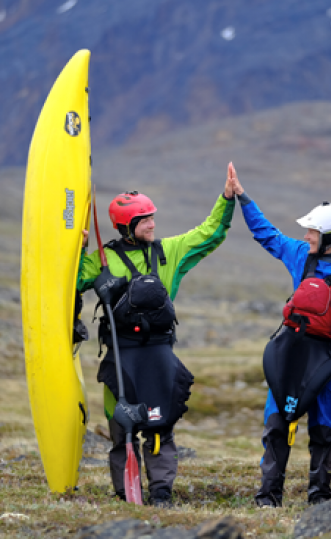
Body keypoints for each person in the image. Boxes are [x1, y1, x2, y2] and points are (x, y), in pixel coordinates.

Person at [76, 164, 237, 506]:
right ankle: (125, 493)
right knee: (121, 427)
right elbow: (69, 283)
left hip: (159, 354)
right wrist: (79, 253)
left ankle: (162, 491)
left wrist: (226, 198)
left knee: (159, 426)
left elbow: (210, 233)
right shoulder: (101, 261)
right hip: (121, 356)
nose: (152, 223)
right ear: (126, 226)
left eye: (152, 216)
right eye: (144, 219)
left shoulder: (170, 251)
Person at [226, 163, 331, 507]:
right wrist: (243, 198)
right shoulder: (299, 254)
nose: (306, 236)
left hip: (330, 358)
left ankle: (320, 496)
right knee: (277, 422)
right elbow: (266, 234)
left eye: (312, 231)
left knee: (323, 426)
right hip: (292, 354)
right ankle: (268, 496)